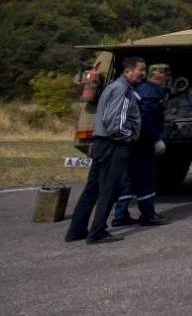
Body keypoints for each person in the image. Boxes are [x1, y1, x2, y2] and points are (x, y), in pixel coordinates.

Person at [65, 55, 146, 245]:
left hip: (101, 142)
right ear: (128, 71)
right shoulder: (123, 90)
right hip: (114, 144)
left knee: (92, 189)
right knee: (109, 189)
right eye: (141, 70)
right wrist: (130, 136)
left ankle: (76, 230)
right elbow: (114, 122)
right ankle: (97, 232)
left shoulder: (112, 87)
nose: (143, 74)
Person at [112, 64, 172, 227]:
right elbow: (146, 118)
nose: (168, 79)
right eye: (166, 75)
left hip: (131, 141)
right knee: (146, 176)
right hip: (143, 142)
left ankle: (120, 215)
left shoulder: (140, 89)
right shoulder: (152, 92)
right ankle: (148, 215)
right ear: (159, 76)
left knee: (128, 178)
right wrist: (155, 139)